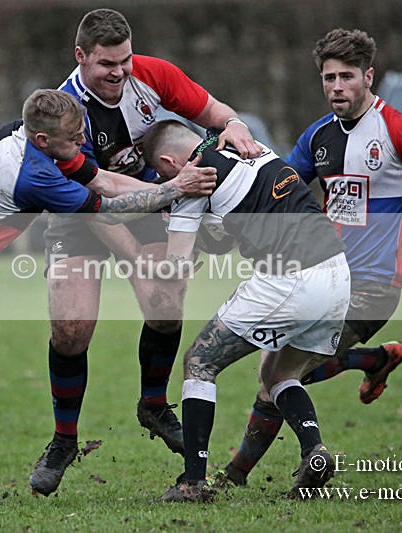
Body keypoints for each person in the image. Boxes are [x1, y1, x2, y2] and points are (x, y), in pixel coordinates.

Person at [0, 88, 216, 509]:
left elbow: (104, 179)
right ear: (45, 140)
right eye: (74, 138)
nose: (82, 143)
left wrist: (172, 188)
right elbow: (110, 207)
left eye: (81, 133)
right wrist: (174, 190)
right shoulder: (33, 176)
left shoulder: (25, 136)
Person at [215, 28, 402, 489]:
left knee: (278, 374)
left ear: (368, 77)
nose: (337, 86)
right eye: (329, 78)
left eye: (347, 77)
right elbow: (281, 190)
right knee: (277, 374)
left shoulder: (400, 130)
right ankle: (374, 361)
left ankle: (252, 471)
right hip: (321, 280)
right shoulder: (318, 136)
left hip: (374, 287)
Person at [30, 8, 261, 496]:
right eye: (106, 64)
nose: (119, 72)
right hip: (82, 213)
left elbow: (213, 110)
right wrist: (137, 255)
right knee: (71, 329)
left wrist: (235, 123)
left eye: (124, 61)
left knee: (165, 303)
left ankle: (154, 404)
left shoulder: (153, 75)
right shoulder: (68, 111)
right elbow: (95, 199)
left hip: (151, 200)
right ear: (80, 56)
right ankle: (64, 439)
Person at [141, 119, 351, 502]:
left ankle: (192, 483)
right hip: (336, 274)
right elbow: (232, 223)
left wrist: (144, 261)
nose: (170, 182)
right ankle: (314, 451)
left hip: (290, 276)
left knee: (199, 362)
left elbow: (176, 266)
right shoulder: (247, 145)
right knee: (279, 375)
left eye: (163, 173)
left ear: (170, 162)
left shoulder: (193, 182)